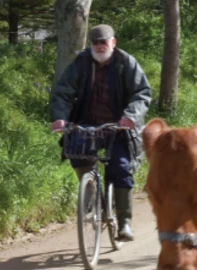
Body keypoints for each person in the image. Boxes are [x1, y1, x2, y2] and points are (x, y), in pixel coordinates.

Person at [50, 24, 152, 242]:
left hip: (119, 127)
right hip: (86, 125)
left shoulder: (126, 63)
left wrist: (131, 117)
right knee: (77, 157)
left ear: (113, 43)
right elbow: (63, 92)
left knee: (121, 168)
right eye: (95, 42)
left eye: (103, 42)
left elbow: (142, 93)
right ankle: (91, 196)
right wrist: (60, 117)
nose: (99, 46)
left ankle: (124, 223)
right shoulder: (81, 62)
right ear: (91, 44)